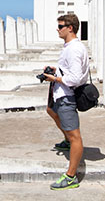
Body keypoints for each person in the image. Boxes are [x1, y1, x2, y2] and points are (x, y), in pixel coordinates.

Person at [42, 13, 89, 190]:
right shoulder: (69, 46)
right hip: (60, 94)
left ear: (70, 28)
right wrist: (56, 70)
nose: (57, 29)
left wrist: (55, 79)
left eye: (60, 26)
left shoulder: (74, 49)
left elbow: (75, 78)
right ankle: (67, 140)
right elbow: (69, 70)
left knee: (75, 137)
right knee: (51, 110)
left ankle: (71, 177)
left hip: (67, 95)